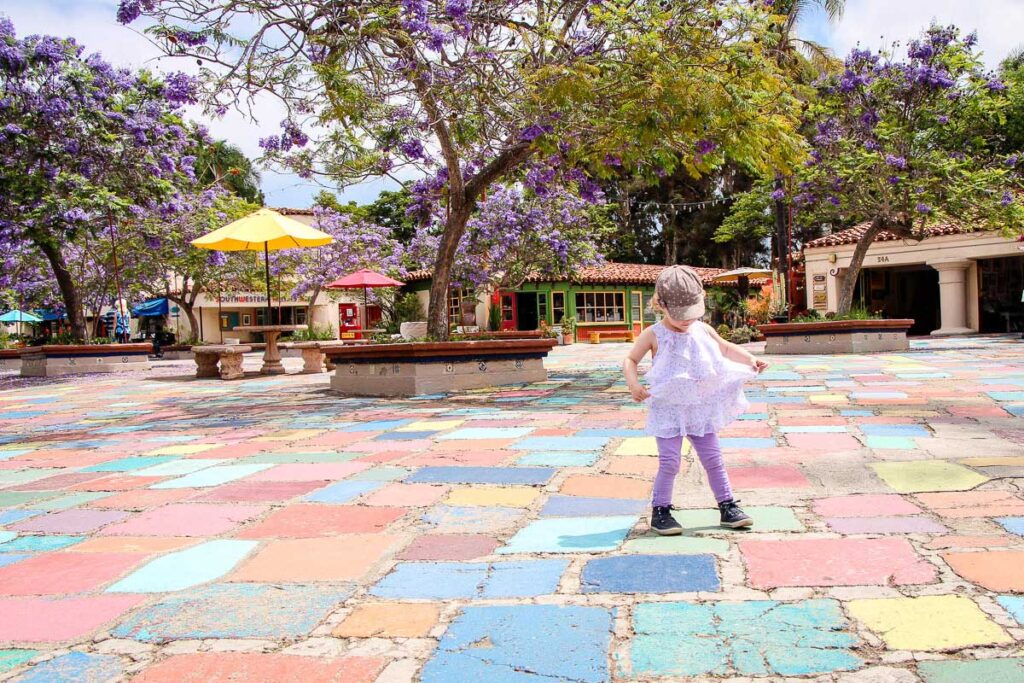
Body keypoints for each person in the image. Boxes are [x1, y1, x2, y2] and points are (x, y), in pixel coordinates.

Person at [623, 265, 769, 535]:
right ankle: (661, 511)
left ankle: (727, 505)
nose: (686, 320)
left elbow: (724, 348)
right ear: (661, 305)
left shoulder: (702, 329)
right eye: (680, 315)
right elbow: (630, 359)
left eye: (691, 313)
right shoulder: (654, 334)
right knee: (670, 462)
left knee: (713, 458)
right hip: (668, 409)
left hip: (700, 407)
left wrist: (750, 359)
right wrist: (633, 383)